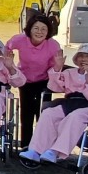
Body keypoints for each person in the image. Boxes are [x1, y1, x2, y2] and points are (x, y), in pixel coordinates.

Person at [21, 43, 88, 164]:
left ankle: (54, 152)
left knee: (74, 117)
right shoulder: (70, 72)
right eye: (81, 56)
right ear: (76, 59)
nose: (84, 59)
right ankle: (35, 150)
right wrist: (57, 68)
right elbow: (54, 87)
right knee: (49, 113)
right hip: (70, 102)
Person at [6, 14, 63, 148]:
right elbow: (7, 47)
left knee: (42, 113)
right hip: (25, 80)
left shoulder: (53, 45)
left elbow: (57, 66)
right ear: (30, 29)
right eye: (36, 28)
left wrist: (57, 67)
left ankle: (41, 144)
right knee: (26, 113)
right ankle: (26, 145)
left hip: (44, 80)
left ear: (48, 31)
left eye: (44, 29)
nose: (39, 32)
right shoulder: (20, 39)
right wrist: (10, 66)